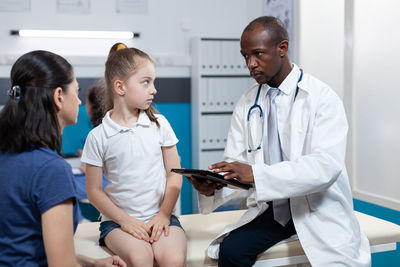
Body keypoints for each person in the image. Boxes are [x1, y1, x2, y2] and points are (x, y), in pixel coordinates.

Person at [187, 16, 371, 266]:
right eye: (245, 56)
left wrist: (257, 175)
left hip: (318, 208)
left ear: (282, 48)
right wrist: (216, 185)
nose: (251, 64)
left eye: (258, 54)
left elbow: (325, 167)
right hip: (275, 210)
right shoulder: (248, 102)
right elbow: (237, 164)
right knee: (231, 250)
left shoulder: (321, 98)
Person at [0, 50, 126, 266]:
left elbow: (28, 248)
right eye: (76, 92)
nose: (78, 101)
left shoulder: (7, 155)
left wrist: (91, 263)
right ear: (59, 96)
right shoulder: (51, 170)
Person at [81, 43, 187, 267]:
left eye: (154, 82)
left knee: (173, 259)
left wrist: (163, 215)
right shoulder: (99, 136)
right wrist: (125, 221)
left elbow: (175, 175)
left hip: (160, 215)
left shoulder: (160, 125)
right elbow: (93, 191)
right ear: (120, 87)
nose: (154, 89)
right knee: (141, 259)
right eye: (146, 82)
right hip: (118, 224)